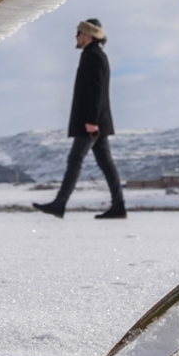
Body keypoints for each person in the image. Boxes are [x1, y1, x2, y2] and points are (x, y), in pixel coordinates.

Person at [33, 19, 126, 219]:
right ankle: (119, 206)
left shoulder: (94, 56)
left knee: (75, 160)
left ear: (88, 35)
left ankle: (60, 203)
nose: (76, 36)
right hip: (95, 120)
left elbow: (96, 91)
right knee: (106, 163)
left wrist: (92, 121)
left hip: (91, 122)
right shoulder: (92, 55)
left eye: (78, 33)